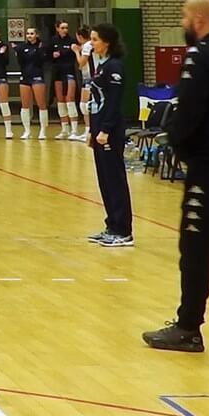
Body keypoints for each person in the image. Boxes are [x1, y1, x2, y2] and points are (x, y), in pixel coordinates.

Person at [143, 0, 209, 353]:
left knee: (196, 248)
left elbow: (189, 112)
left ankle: (188, 327)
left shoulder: (201, 55)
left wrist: (178, 146)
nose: (183, 24)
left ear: (198, 20)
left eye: (183, 17)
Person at [84, 24, 133, 248]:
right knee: (104, 180)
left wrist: (105, 129)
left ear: (107, 42)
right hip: (98, 129)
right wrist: (91, 131)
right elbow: (95, 101)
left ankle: (123, 230)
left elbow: (113, 102)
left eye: (95, 39)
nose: (91, 43)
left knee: (115, 180)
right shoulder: (101, 66)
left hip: (110, 131)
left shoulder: (114, 66)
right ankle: (111, 225)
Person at [50, 20, 82, 140]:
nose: (65, 30)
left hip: (69, 72)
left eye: (66, 28)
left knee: (70, 99)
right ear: (57, 28)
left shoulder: (72, 41)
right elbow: (46, 55)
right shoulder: (53, 40)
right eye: (62, 28)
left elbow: (78, 51)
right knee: (61, 101)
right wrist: (52, 55)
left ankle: (74, 130)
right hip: (57, 73)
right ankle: (65, 129)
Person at [15, 27, 48, 140]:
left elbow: (42, 61)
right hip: (25, 77)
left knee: (41, 104)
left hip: (37, 76)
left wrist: (38, 50)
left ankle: (43, 130)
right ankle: (27, 130)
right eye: (28, 34)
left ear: (37, 35)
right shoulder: (22, 47)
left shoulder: (41, 46)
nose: (29, 36)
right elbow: (21, 62)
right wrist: (18, 52)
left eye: (32, 33)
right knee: (24, 105)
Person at [76, 26, 96, 143]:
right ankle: (88, 130)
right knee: (86, 105)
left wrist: (76, 52)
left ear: (79, 36)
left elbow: (81, 63)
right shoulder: (89, 45)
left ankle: (89, 131)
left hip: (89, 77)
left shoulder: (87, 46)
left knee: (85, 105)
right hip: (88, 77)